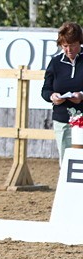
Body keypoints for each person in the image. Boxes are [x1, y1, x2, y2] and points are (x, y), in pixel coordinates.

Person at [41, 21, 83, 160]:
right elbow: (45, 90)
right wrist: (52, 96)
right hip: (62, 120)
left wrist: (82, 95)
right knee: (65, 162)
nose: (68, 50)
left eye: (72, 45)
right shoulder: (55, 62)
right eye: (65, 46)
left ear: (79, 43)